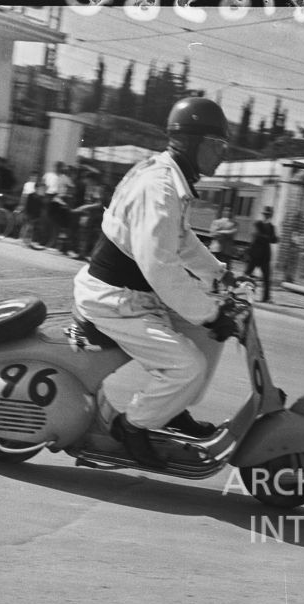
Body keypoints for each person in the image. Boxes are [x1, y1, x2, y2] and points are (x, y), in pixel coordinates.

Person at [72, 96, 238, 469]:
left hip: (130, 296)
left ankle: (168, 409)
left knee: (195, 339)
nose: (221, 156)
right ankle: (134, 427)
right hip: (115, 300)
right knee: (188, 366)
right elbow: (161, 268)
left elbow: (181, 240)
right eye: (218, 146)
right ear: (194, 142)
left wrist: (217, 273)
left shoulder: (167, 177)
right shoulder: (159, 189)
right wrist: (211, 313)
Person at [245, 206, 279, 302]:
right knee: (246, 274)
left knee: (267, 278)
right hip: (255, 254)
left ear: (271, 215)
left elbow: (275, 239)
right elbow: (258, 236)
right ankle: (238, 292)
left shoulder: (271, 227)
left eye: (268, 215)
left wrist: (267, 237)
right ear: (263, 215)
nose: (267, 216)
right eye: (265, 214)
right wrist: (268, 237)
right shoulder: (258, 224)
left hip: (265, 256)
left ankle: (266, 298)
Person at [209, 204, 239, 271]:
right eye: (226, 210)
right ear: (223, 211)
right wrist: (226, 233)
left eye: (230, 211)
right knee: (214, 268)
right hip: (217, 249)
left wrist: (220, 232)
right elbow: (213, 233)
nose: (228, 212)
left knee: (225, 270)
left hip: (227, 250)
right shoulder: (216, 222)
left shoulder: (235, 223)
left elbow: (233, 232)